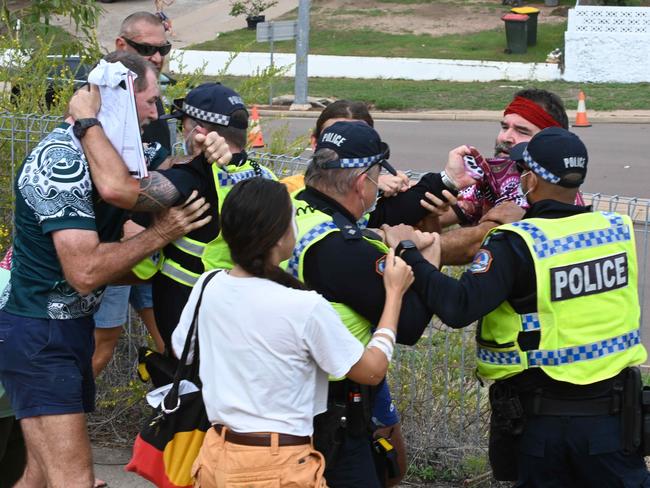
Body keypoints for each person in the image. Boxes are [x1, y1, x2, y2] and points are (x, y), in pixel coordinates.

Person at [384, 127, 650, 486]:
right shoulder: (614, 230)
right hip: (614, 420)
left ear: (532, 179)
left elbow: (459, 306)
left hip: (544, 425)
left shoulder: (517, 244)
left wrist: (411, 253)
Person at [0, 52, 211, 488]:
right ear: (116, 102)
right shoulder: (59, 164)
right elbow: (85, 272)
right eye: (151, 101)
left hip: (69, 328)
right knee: (74, 478)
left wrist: (203, 153)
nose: (157, 114)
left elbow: (160, 178)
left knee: (39, 473)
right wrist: (162, 234)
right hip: (38, 333)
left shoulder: (119, 153)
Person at [171, 178, 415, 488]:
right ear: (279, 237)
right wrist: (394, 295)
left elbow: (184, 350)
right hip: (276, 464)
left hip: (217, 453)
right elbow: (372, 371)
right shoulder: (304, 307)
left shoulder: (208, 286)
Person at [290, 120, 476, 487]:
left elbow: (382, 216)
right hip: (333, 408)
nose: (378, 192)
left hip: (292, 393)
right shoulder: (342, 249)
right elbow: (408, 326)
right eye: (376, 180)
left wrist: (446, 180)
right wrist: (427, 258)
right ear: (362, 183)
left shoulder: (297, 208)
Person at [81, 81, 274, 353]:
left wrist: (87, 122)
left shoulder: (192, 177)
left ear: (197, 130)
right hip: (243, 320)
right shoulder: (266, 177)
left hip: (192, 320)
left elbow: (116, 189)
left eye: (183, 124)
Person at [425, 88, 579, 265]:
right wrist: (439, 197)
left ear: (550, 142)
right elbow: (439, 215)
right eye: (505, 127)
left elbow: (471, 246)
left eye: (522, 131)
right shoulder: (499, 171)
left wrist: (408, 248)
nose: (505, 137)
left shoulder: (549, 186)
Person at [115, 11, 172, 151]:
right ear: (121, 46)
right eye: (147, 49)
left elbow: (161, 161)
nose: (158, 58)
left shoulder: (148, 89)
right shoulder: (99, 95)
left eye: (163, 49)